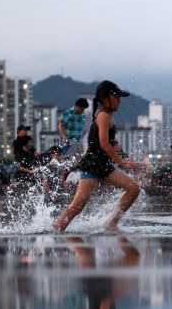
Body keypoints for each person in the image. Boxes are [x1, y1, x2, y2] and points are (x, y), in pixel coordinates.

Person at [54, 81, 140, 232]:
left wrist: (122, 160)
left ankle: (111, 222)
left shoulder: (106, 116)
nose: (119, 101)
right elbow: (104, 144)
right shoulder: (103, 116)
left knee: (133, 189)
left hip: (103, 165)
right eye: (117, 97)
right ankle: (56, 229)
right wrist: (122, 163)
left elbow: (108, 146)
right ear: (105, 98)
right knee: (76, 207)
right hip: (93, 165)